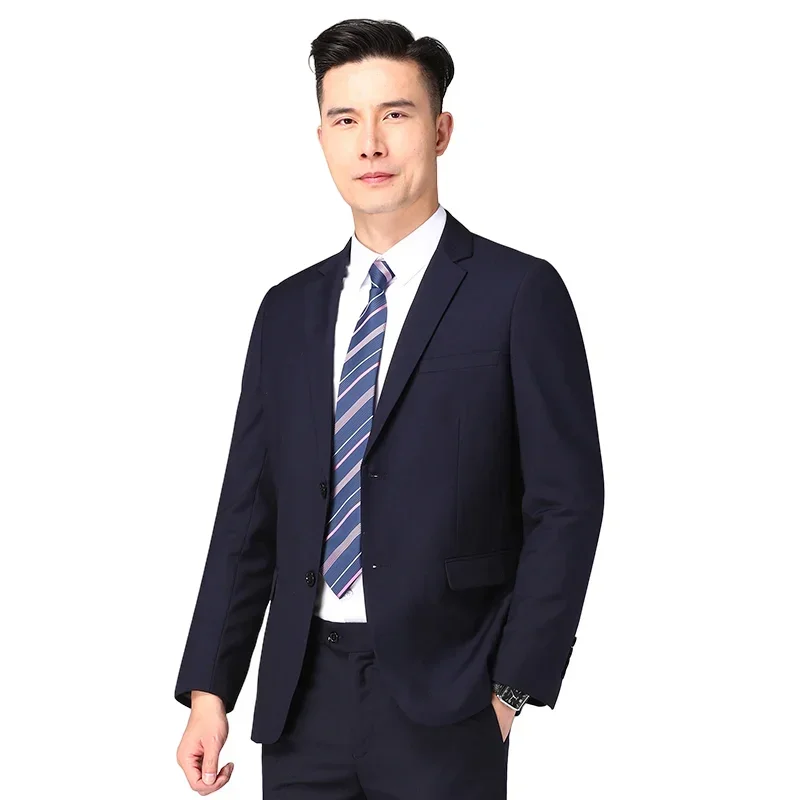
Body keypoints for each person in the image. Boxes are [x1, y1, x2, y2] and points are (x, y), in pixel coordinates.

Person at [174, 17, 604, 799]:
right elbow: (249, 511)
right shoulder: (287, 311)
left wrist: (512, 687)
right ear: (322, 139)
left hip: (451, 693)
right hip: (302, 696)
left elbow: (567, 502)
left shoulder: (518, 294)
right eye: (346, 120)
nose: (369, 144)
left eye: (394, 115)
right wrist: (212, 690)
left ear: (440, 130)